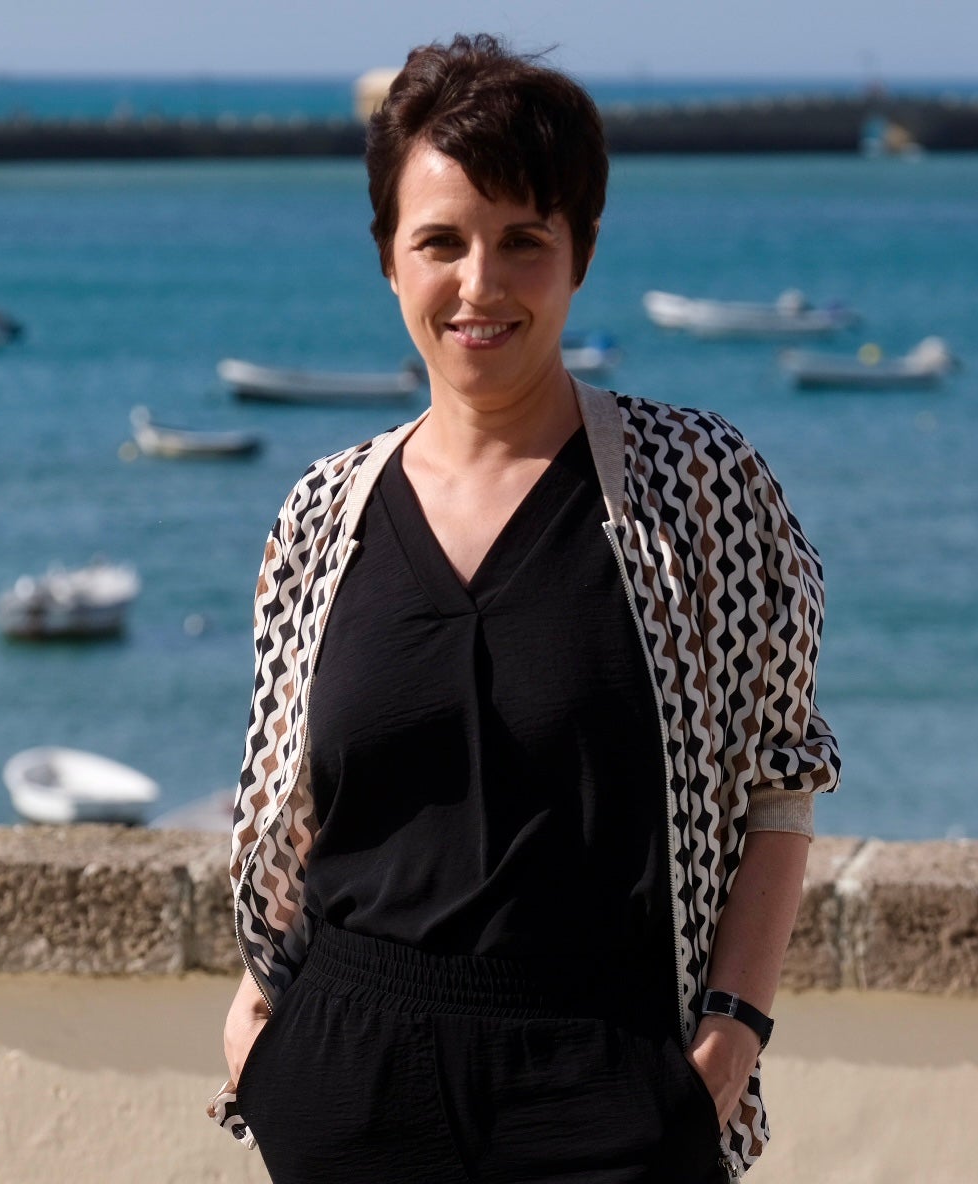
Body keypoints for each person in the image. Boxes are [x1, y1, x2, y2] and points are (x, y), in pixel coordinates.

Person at [206, 33, 838, 1183]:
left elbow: (780, 782)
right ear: (389, 260)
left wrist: (731, 1037)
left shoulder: (697, 484)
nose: (480, 285)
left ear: (580, 253)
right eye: (440, 241)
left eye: (523, 241)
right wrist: (258, 1033)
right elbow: (291, 802)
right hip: (348, 1083)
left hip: (607, 1087)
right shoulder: (320, 516)